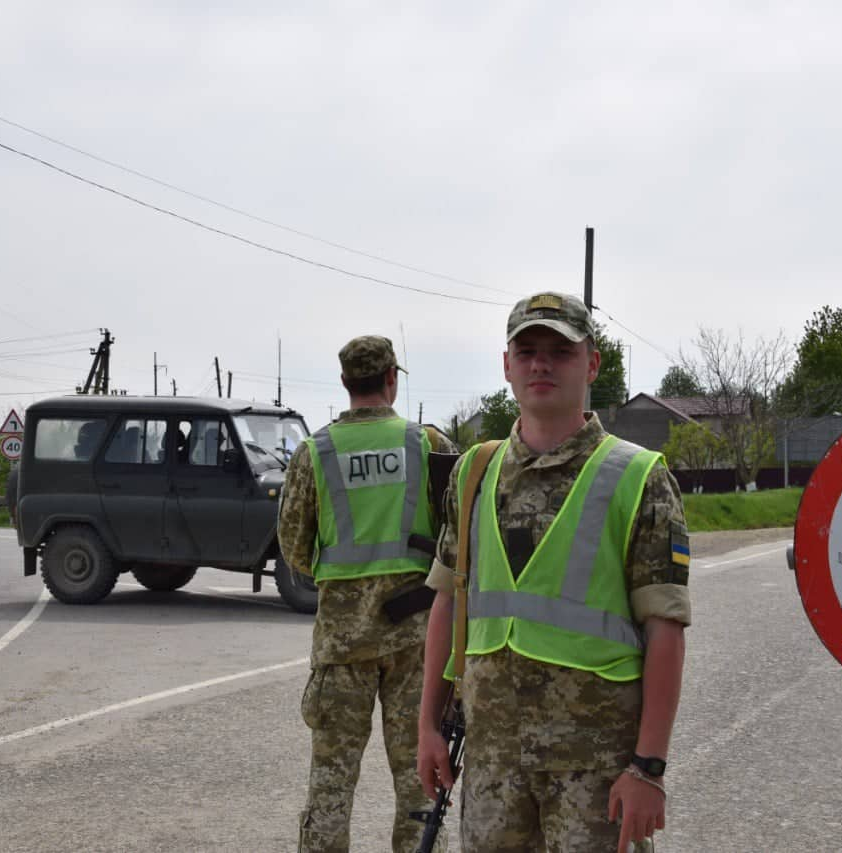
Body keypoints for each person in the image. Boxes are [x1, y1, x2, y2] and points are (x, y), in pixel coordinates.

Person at [417, 293, 691, 852]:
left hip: (595, 766)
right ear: (507, 366)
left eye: (559, 352)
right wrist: (427, 725)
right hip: (493, 760)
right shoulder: (474, 472)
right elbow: (448, 603)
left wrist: (649, 767)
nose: (541, 364)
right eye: (528, 351)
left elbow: (665, 627)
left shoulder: (637, 477)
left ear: (591, 364)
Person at [278, 335, 456, 853]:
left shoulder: (315, 452)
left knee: (331, 787)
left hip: (341, 644)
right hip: (418, 642)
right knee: (421, 783)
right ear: (391, 380)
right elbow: (461, 533)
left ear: (344, 383)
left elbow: (293, 546)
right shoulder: (428, 445)